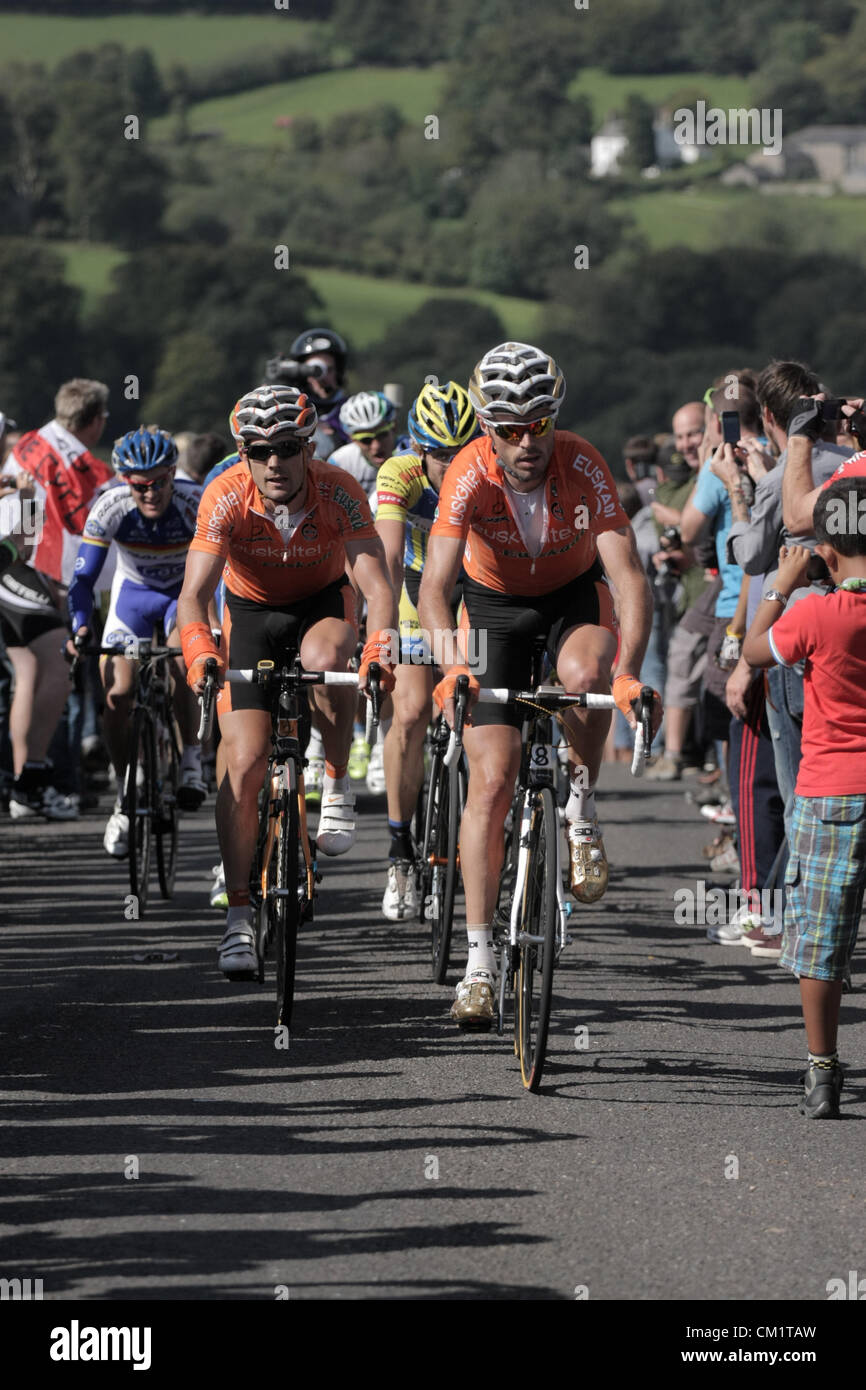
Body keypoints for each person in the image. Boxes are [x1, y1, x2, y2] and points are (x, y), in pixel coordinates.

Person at [419, 342, 660, 1027]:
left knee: (586, 676)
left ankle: (580, 811)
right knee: (492, 784)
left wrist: (629, 672)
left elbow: (630, 578)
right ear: (486, 426)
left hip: (572, 600)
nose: (526, 441)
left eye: (539, 424)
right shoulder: (467, 472)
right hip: (493, 610)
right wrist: (452, 665)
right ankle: (478, 962)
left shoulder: (583, 461)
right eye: (508, 428)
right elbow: (435, 587)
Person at [177, 385, 397, 977]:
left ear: (309, 447)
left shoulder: (340, 491)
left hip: (322, 602)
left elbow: (376, 588)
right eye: (259, 450)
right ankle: (238, 918)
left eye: (287, 448)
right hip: (249, 617)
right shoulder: (224, 495)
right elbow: (194, 596)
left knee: (326, 659)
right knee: (244, 761)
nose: (274, 462)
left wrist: (378, 647)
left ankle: (334, 782)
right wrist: (200, 651)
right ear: (243, 454)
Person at [742, 479, 866, 1119]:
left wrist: (779, 585)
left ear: (825, 548)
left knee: (822, 941)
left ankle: (823, 1070)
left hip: (830, 794)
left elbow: (753, 651)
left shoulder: (815, 614)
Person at [68, 426, 207, 857]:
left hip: (182, 597)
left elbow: (222, 572)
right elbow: (83, 579)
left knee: (186, 662)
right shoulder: (109, 506)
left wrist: (215, 626)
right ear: (126, 483)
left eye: (159, 483)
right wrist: (79, 624)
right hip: (133, 598)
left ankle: (191, 763)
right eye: (140, 486)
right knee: (118, 693)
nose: (150, 494)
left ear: (172, 474)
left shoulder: (195, 502)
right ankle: (125, 791)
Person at [373, 379, 478, 919]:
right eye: (440, 456)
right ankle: (398, 851)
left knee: (479, 709)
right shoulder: (400, 473)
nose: (451, 465)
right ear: (419, 450)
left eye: (461, 452)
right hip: (415, 586)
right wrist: (383, 634)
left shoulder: (487, 464)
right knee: (411, 713)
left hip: (472, 590)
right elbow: (388, 560)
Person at [329, 390, 400, 792]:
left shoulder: (407, 455)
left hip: (394, 556)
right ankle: (359, 736)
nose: (376, 446)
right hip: (352, 555)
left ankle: (381, 742)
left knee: (390, 651)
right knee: (353, 643)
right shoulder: (341, 463)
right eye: (365, 438)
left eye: (383, 435)